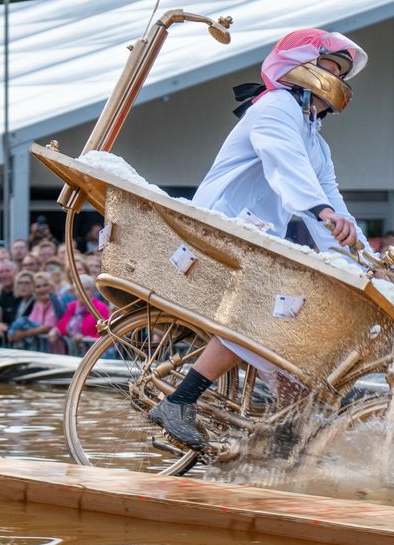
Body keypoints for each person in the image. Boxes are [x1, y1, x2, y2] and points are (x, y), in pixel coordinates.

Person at [148, 28, 370, 450]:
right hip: (223, 228)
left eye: (343, 73)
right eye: (332, 67)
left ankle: (287, 440)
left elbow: (333, 200)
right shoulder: (275, 106)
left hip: (258, 238)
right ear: (299, 65)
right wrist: (321, 210)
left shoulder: (315, 139)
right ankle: (179, 401)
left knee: (295, 340)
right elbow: (287, 167)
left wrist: (364, 256)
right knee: (259, 319)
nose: (339, 80)